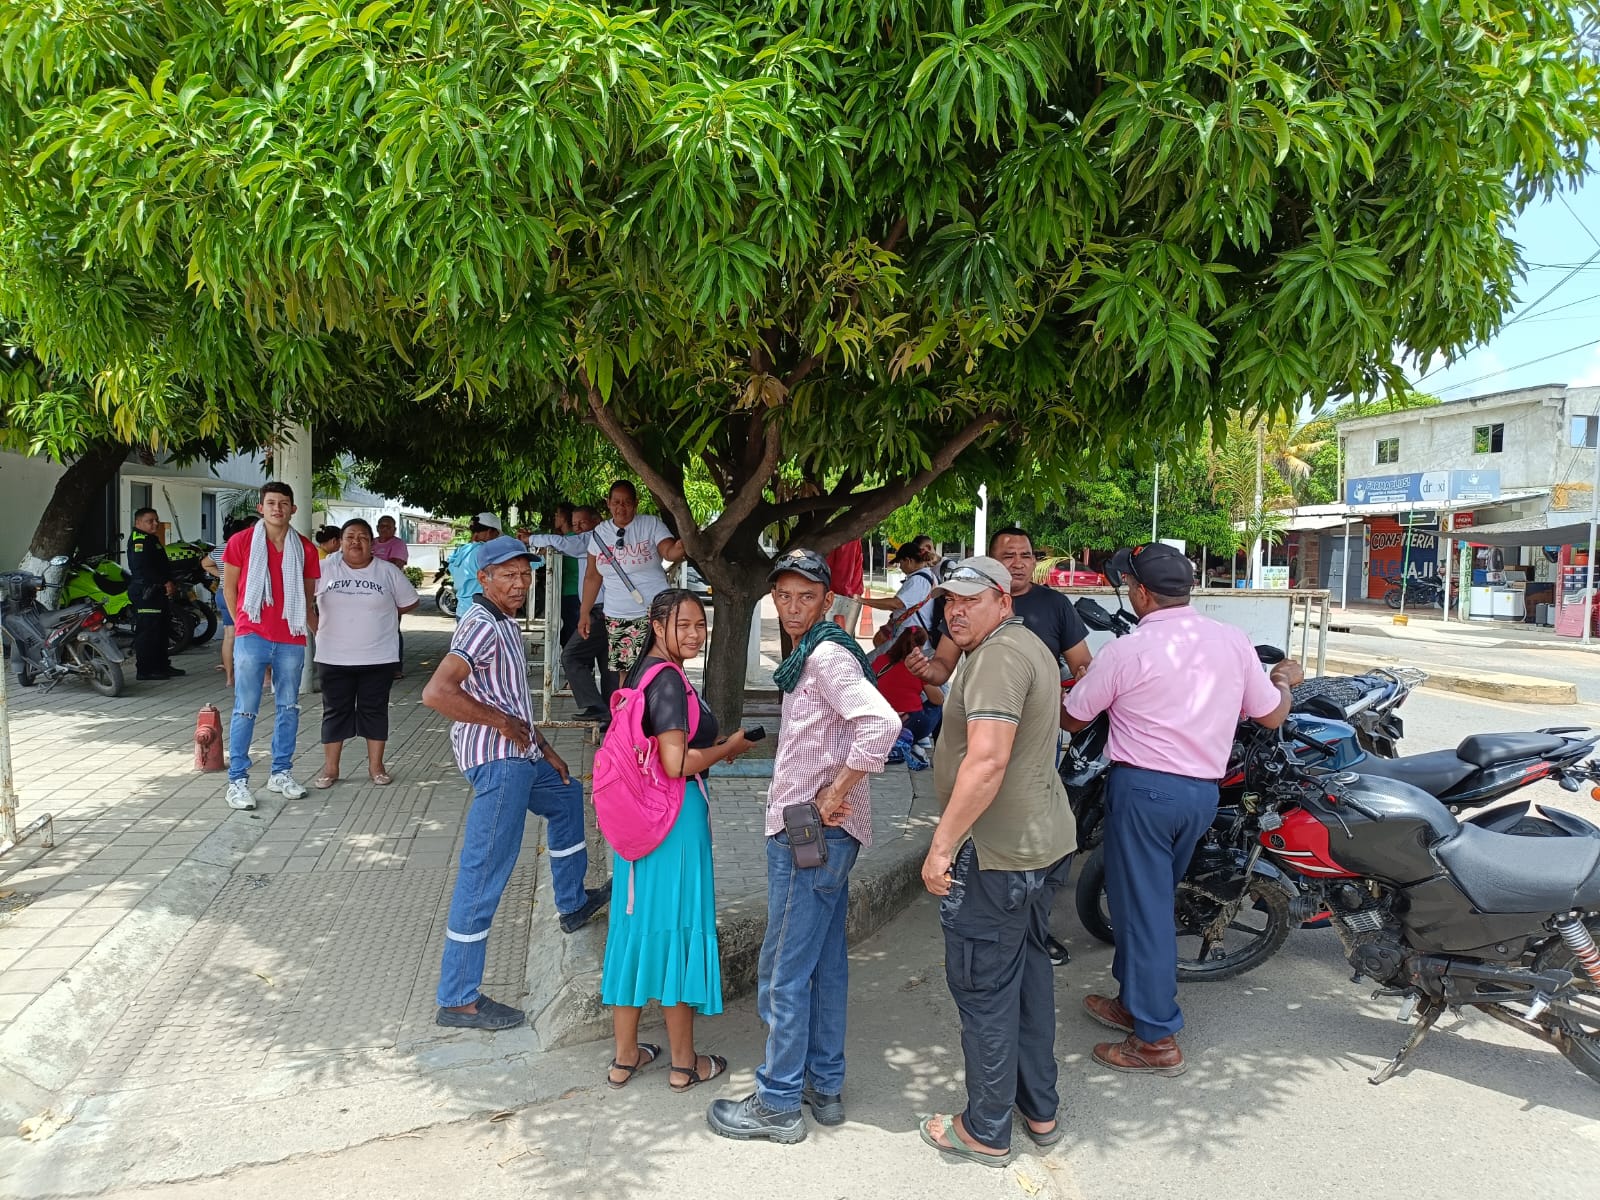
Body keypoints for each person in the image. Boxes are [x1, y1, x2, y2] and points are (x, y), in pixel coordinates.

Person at [1063, 542, 1297, 1076]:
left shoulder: (1127, 650)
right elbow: (1269, 714)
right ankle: (1133, 1002)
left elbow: (1076, 718)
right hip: (1200, 795)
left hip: (1144, 792)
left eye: (1129, 586)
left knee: (1142, 911)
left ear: (1141, 592)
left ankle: (1156, 1039)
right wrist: (1284, 678)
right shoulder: (1231, 641)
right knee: (1145, 903)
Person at [707, 549, 900, 1145]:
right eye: (784, 596)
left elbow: (882, 723)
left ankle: (778, 1101)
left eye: (806, 597)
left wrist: (832, 793)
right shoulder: (809, 654)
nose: (793, 607)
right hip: (823, 834)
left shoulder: (824, 655)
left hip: (810, 834)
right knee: (823, 965)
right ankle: (825, 1084)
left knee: (782, 972)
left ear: (826, 600)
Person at [915, 556, 1077, 1167]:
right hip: (1037, 845)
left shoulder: (997, 658)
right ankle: (1039, 1107)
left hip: (996, 856)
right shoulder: (1024, 644)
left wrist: (941, 846)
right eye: (948, 601)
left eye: (970, 600)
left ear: (1002, 601)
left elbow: (986, 761)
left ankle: (985, 1128)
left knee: (984, 986)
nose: (955, 610)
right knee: (1028, 979)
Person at [422, 535, 610, 1031]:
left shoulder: (503, 621)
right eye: (507, 574)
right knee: (484, 874)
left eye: (525, 573)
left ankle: (572, 904)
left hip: (522, 757)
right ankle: (458, 997)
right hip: (500, 765)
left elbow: (511, 699)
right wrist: (500, 724)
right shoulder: (480, 624)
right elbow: (437, 692)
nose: (520, 582)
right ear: (482, 578)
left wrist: (545, 749)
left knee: (568, 796)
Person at [601, 588, 758, 1092]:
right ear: (657, 622)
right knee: (676, 930)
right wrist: (728, 747)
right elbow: (677, 764)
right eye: (683, 625)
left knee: (633, 929)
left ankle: (625, 1057)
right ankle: (683, 1064)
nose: (694, 634)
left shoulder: (641, 672)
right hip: (673, 821)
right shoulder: (668, 681)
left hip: (636, 823)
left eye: (700, 625)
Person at [221, 483, 321, 810]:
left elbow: (306, 597)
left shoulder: (304, 548)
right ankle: (237, 781)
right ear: (261, 508)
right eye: (271, 503)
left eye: (284, 503)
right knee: (245, 708)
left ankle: (281, 773)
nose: (278, 508)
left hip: (290, 637)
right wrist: (242, 626)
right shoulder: (241, 542)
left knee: (289, 707)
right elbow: (230, 588)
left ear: (293, 509)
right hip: (253, 634)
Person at [312, 519, 420, 789]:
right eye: (350, 536)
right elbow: (301, 598)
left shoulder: (387, 571)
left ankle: (377, 767)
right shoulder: (325, 568)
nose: (356, 542)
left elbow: (410, 601)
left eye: (363, 537)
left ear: (372, 543)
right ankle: (331, 769)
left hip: (378, 657)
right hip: (333, 656)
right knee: (335, 711)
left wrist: (383, 617)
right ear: (340, 540)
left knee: (375, 711)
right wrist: (315, 628)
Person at [578, 481, 685, 676]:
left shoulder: (650, 524)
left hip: (656, 613)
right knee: (625, 674)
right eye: (616, 502)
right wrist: (584, 612)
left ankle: (659, 706)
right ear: (608, 503)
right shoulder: (599, 534)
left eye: (627, 502)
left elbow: (668, 551)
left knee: (661, 669)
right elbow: (592, 577)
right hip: (618, 615)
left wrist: (682, 545)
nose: (621, 507)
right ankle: (630, 708)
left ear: (636, 503)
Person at [526, 505, 614, 723]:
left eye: (581, 523)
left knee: (571, 655)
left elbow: (567, 544)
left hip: (602, 610)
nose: (577, 529)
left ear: (597, 520)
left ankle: (597, 707)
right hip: (601, 609)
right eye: (574, 525)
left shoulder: (593, 538)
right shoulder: (589, 541)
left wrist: (532, 539)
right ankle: (611, 718)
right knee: (608, 666)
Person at [127, 507, 184, 682]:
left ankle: (161, 665)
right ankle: (145, 670)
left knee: (161, 630)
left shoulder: (151, 539)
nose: (155, 524)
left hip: (157, 592)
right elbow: (143, 569)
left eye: (156, 520)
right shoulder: (139, 540)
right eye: (150, 521)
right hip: (146, 592)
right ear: (138, 523)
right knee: (148, 633)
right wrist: (164, 582)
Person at [861, 543, 939, 640]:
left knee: (875, 655)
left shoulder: (918, 580)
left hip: (911, 640)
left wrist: (864, 601)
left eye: (900, 563)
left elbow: (896, 604)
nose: (900, 567)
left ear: (908, 561)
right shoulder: (928, 576)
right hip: (911, 636)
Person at [370, 514, 410, 677]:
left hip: (390, 592)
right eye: (381, 525)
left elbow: (395, 565)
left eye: (387, 526)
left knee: (392, 629)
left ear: (394, 529)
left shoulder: (398, 544)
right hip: (369, 592)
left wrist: (371, 565)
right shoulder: (371, 542)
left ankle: (395, 667)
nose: (383, 529)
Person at [447, 513, 502, 619]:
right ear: (490, 532)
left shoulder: (460, 551)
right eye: (496, 535)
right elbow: (511, 569)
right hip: (480, 613)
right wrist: (540, 557)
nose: (496, 539)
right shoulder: (485, 552)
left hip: (462, 612)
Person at [824, 538, 864, 632]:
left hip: (838, 599)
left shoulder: (847, 537)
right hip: (841, 595)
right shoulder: (851, 536)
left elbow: (843, 576)